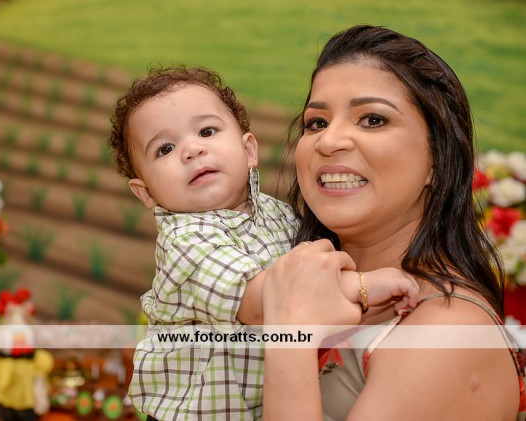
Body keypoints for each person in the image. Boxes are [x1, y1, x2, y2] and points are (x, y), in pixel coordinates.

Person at [107, 66, 420, 420]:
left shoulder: (278, 214)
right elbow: (267, 301)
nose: (192, 150)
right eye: (165, 149)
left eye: (207, 131)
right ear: (146, 193)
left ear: (249, 150)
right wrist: (364, 285)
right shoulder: (184, 242)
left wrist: (370, 302)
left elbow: (315, 292)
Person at [260, 25, 525, 421]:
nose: (328, 141)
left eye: (372, 119)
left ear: (436, 161)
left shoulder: (447, 332)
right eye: (316, 122)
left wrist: (289, 334)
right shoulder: (303, 284)